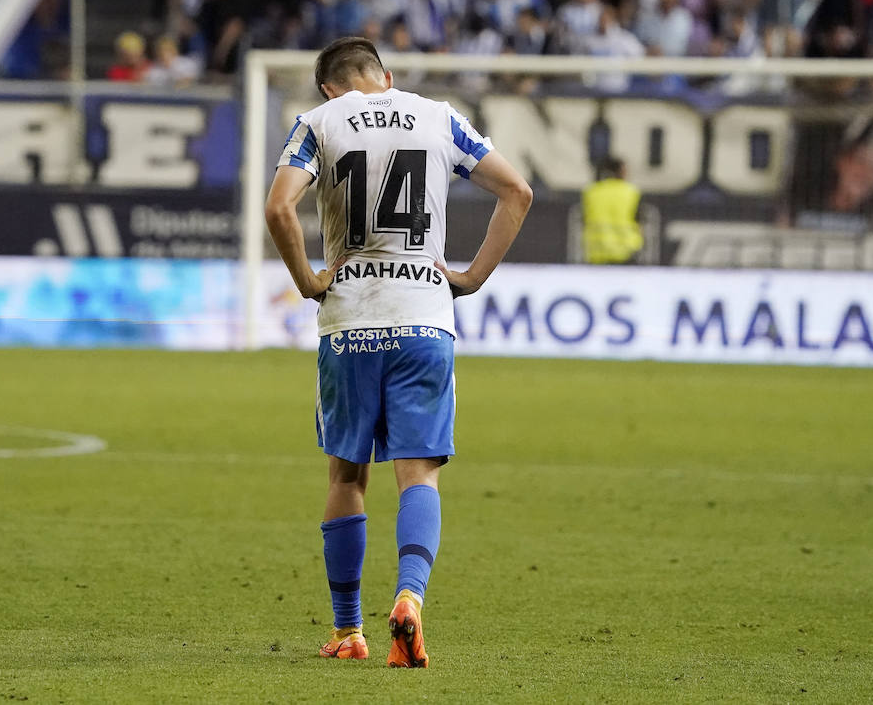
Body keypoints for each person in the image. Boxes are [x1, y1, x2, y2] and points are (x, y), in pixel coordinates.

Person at [264, 37, 532, 667]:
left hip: (350, 321)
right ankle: (410, 597)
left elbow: (279, 208)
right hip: (424, 318)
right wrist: (470, 278)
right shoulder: (439, 116)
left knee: (346, 475)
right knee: (419, 473)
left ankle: (349, 630)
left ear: (329, 88)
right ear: (384, 75)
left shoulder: (319, 122)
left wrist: (307, 282)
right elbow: (516, 192)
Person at [581, 156, 643, 264]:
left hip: (596, 252)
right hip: (627, 251)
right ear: (619, 171)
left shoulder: (591, 191)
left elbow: (585, 218)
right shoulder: (631, 192)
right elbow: (638, 220)